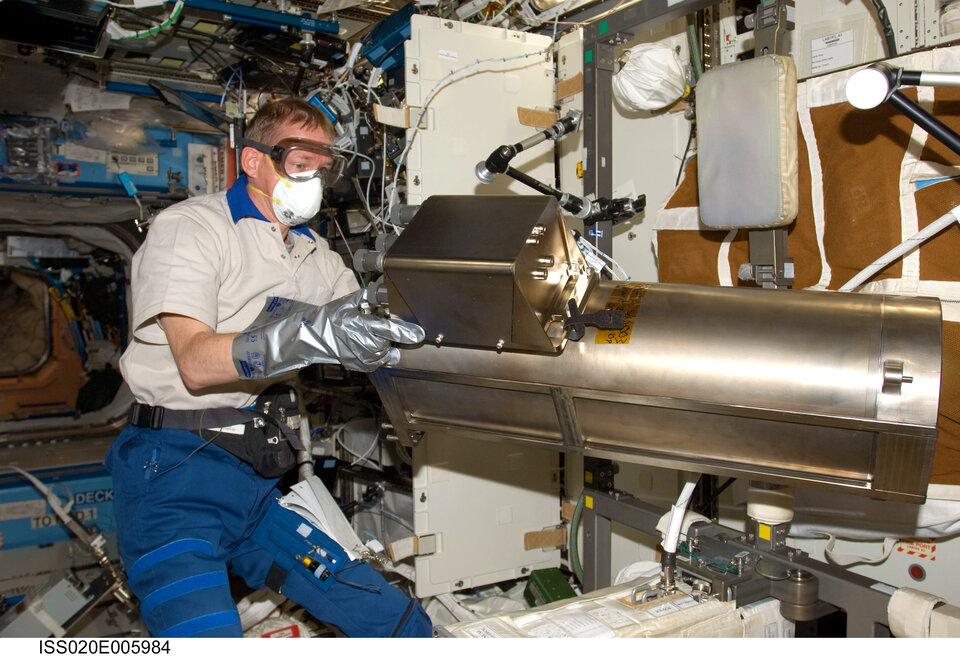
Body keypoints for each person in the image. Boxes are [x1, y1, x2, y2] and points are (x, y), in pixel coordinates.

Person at [106, 97, 431, 638]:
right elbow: (195, 363)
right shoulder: (192, 228)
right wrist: (314, 333)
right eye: (301, 162)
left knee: (392, 618)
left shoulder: (313, 253)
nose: (316, 179)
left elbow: (376, 321)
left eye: (324, 167)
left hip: (255, 484)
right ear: (254, 160)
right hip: (172, 479)